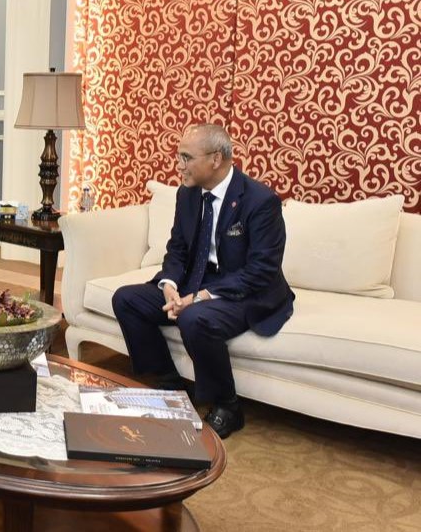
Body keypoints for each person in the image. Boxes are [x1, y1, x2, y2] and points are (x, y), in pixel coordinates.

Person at [111, 124, 294, 439]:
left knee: (194, 317)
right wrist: (169, 285)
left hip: (247, 289)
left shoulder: (260, 201)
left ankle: (228, 405)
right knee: (126, 299)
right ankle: (169, 383)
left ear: (216, 159)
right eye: (179, 156)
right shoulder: (187, 194)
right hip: (197, 279)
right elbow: (178, 249)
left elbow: (261, 270)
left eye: (186, 157)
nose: (179, 165)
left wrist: (199, 297)